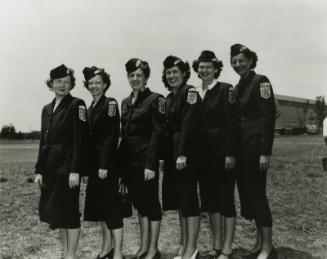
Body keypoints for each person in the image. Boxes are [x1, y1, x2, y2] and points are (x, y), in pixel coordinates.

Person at [34, 64, 88, 259]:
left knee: (70, 214)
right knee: (59, 214)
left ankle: (71, 255)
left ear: (72, 85)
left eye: (67, 82)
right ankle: (65, 254)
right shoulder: (46, 109)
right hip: (50, 169)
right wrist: (39, 170)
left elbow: (79, 141)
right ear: (51, 83)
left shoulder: (77, 104)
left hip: (67, 170)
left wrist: (75, 170)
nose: (63, 85)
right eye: (58, 82)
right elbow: (43, 141)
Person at [230, 44, 277, 259]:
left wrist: (264, 152)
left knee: (258, 195)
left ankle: (268, 247)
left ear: (251, 60)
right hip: (242, 149)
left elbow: (268, 118)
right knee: (249, 195)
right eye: (234, 61)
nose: (238, 64)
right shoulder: (239, 86)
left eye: (241, 60)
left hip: (255, 147)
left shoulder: (261, 81)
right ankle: (259, 242)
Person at [118, 58, 165, 259]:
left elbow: (158, 133)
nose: (135, 78)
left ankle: (153, 249)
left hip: (146, 162)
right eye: (131, 75)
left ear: (146, 78)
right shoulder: (125, 102)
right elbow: (124, 135)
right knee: (140, 204)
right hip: (130, 163)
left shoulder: (156, 99)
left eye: (139, 75)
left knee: (151, 204)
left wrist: (151, 164)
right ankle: (144, 247)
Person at [192, 50, 237, 259]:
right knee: (210, 201)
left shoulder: (225, 89)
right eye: (201, 67)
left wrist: (230, 153)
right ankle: (217, 243)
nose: (204, 70)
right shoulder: (195, 92)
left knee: (225, 199)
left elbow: (232, 124)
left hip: (221, 154)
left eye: (208, 67)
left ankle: (227, 247)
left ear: (216, 68)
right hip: (203, 157)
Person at [161, 56, 201, 259]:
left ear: (184, 73)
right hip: (172, 155)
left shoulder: (190, 92)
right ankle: (184, 244)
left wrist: (183, 153)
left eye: (175, 72)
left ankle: (191, 248)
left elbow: (189, 124)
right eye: (168, 72)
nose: (172, 76)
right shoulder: (169, 98)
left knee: (189, 200)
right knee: (180, 200)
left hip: (186, 154)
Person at [82, 66, 124, 259]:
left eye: (98, 82)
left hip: (106, 167)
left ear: (105, 84)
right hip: (94, 167)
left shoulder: (110, 103)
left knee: (112, 209)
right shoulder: (90, 107)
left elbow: (110, 136)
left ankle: (117, 253)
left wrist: (104, 165)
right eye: (90, 83)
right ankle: (106, 248)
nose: (94, 86)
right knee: (102, 210)